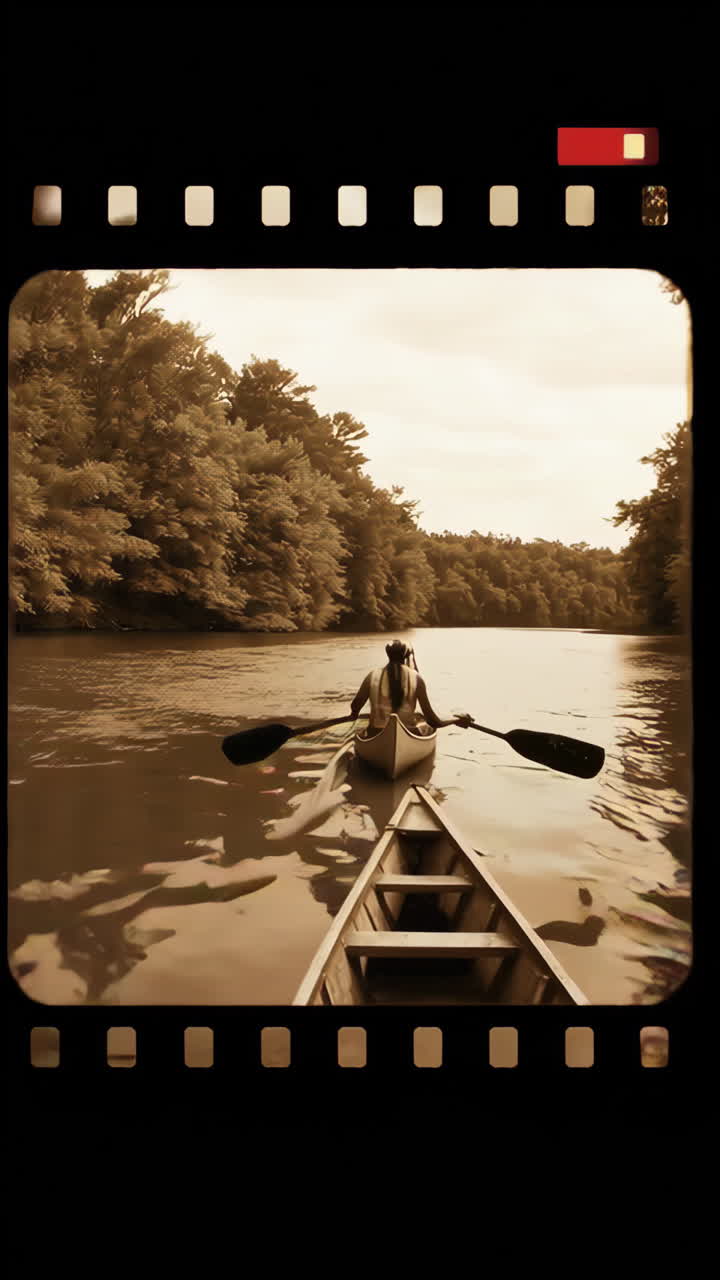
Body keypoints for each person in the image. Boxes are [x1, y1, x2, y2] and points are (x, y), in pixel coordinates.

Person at [349, 640, 474, 736]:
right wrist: (456, 718)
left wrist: (354, 715)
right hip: (409, 733)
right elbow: (434, 721)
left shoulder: (372, 676)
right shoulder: (417, 678)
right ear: (404, 655)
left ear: (388, 654)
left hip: (375, 733)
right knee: (423, 721)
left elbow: (355, 706)